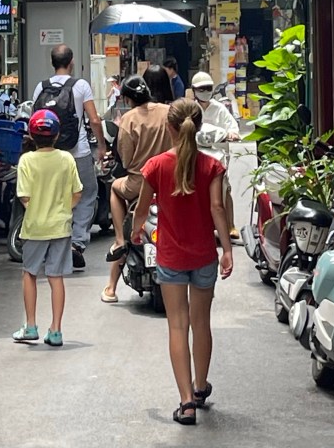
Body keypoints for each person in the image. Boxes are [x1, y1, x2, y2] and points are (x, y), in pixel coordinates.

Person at [132, 98, 233, 426]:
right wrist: (227, 249)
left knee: (178, 325)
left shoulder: (156, 166)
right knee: (201, 323)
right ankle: (201, 387)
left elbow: (142, 209)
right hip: (204, 255)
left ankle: (186, 402)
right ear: (199, 127)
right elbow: (218, 209)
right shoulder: (212, 167)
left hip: (172, 257)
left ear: (170, 128)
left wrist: (135, 232)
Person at [31, 44, 107, 270]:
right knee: (87, 193)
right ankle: (76, 243)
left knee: (51, 195)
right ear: (71, 61)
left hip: (48, 153)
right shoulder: (80, 85)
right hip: (78, 152)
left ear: (52, 63)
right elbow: (94, 120)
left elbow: (33, 120)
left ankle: (49, 243)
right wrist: (101, 146)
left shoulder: (40, 87)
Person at [12, 110, 82, 347]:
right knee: (56, 277)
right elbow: (77, 193)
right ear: (57, 134)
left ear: (31, 135)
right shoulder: (66, 159)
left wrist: (38, 210)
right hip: (60, 227)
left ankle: (30, 326)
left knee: (29, 274)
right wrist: (63, 210)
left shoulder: (26, 161)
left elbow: (24, 196)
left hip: (35, 227)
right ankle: (56, 330)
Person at [102, 75, 172, 304]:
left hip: (138, 184)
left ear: (129, 98)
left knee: (114, 187)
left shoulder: (129, 119)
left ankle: (120, 241)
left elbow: (126, 157)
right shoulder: (168, 111)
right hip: (168, 182)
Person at [190, 71, 241, 240]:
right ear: (194, 90)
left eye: (208, 88)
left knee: (224, 188)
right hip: (196, 154)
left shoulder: (219, 108)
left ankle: (230, 224)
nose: (205, 91)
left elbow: (233, 127)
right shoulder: (191, 109)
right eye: (201, 88)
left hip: (217, 154)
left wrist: (232, 134)